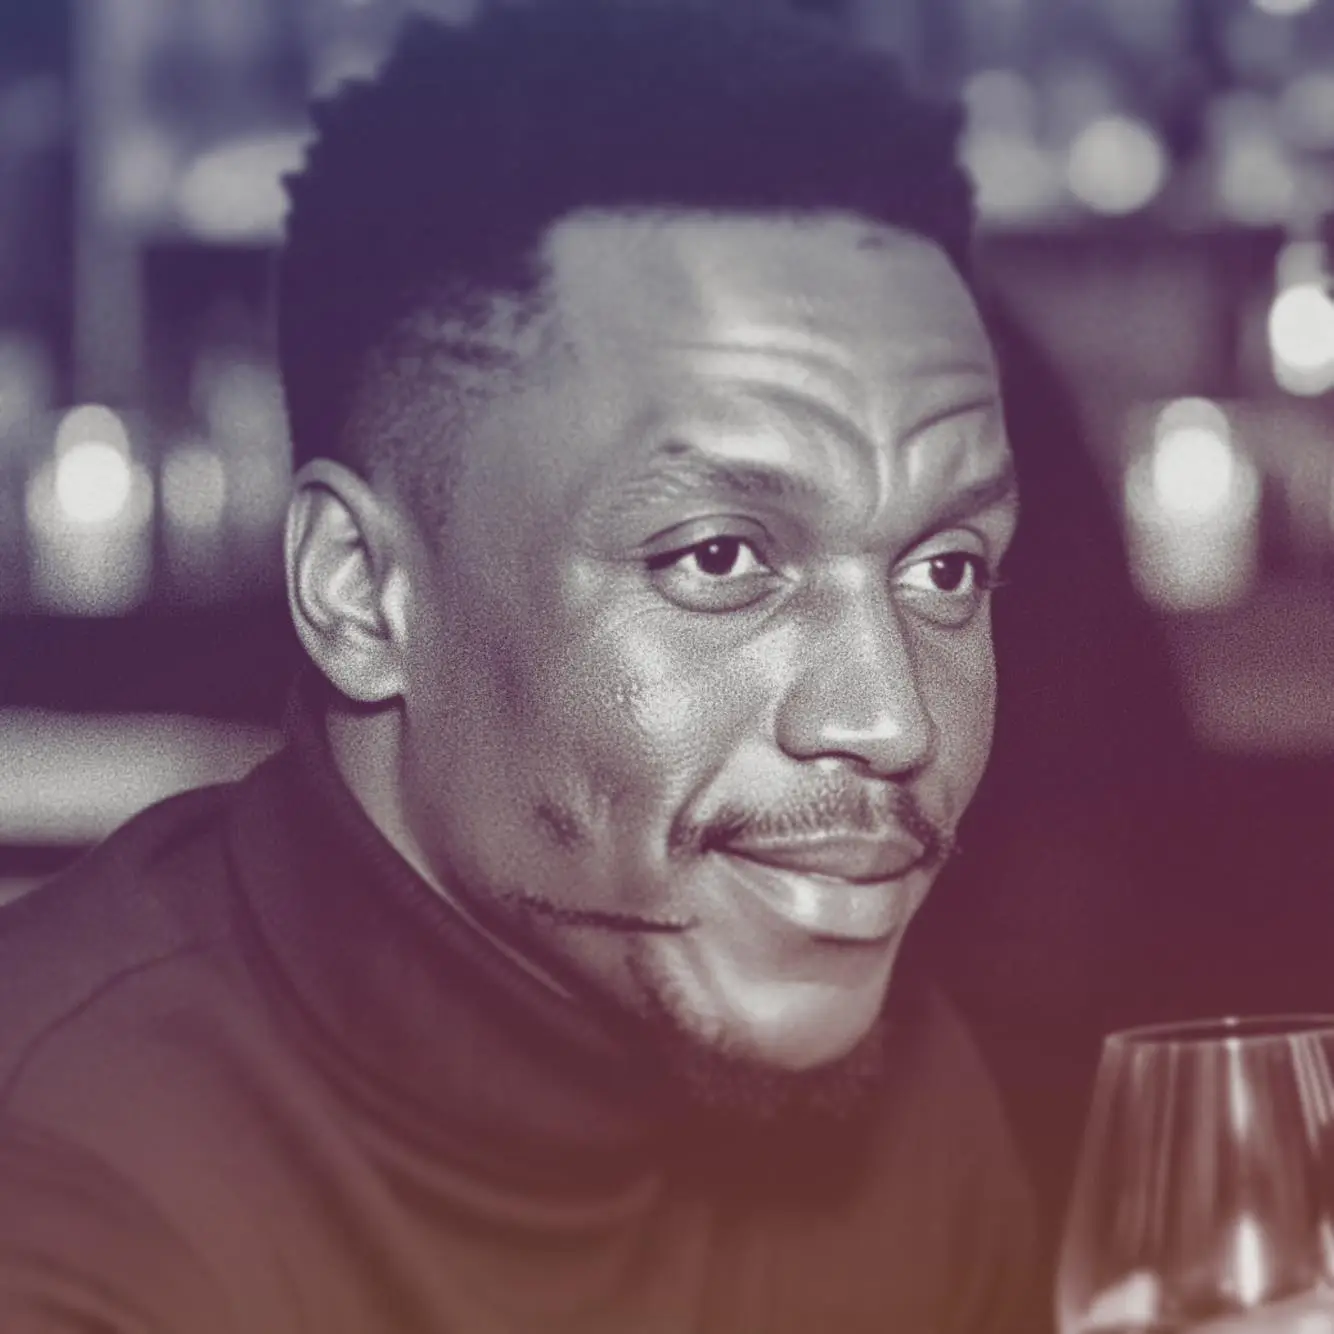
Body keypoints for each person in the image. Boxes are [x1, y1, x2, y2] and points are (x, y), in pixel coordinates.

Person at [0, 5, 1040, 1330]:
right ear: (362, 593)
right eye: (719, 556)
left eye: (945, 569)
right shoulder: (68, 1183)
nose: (892, 719)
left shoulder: (907, 1102)